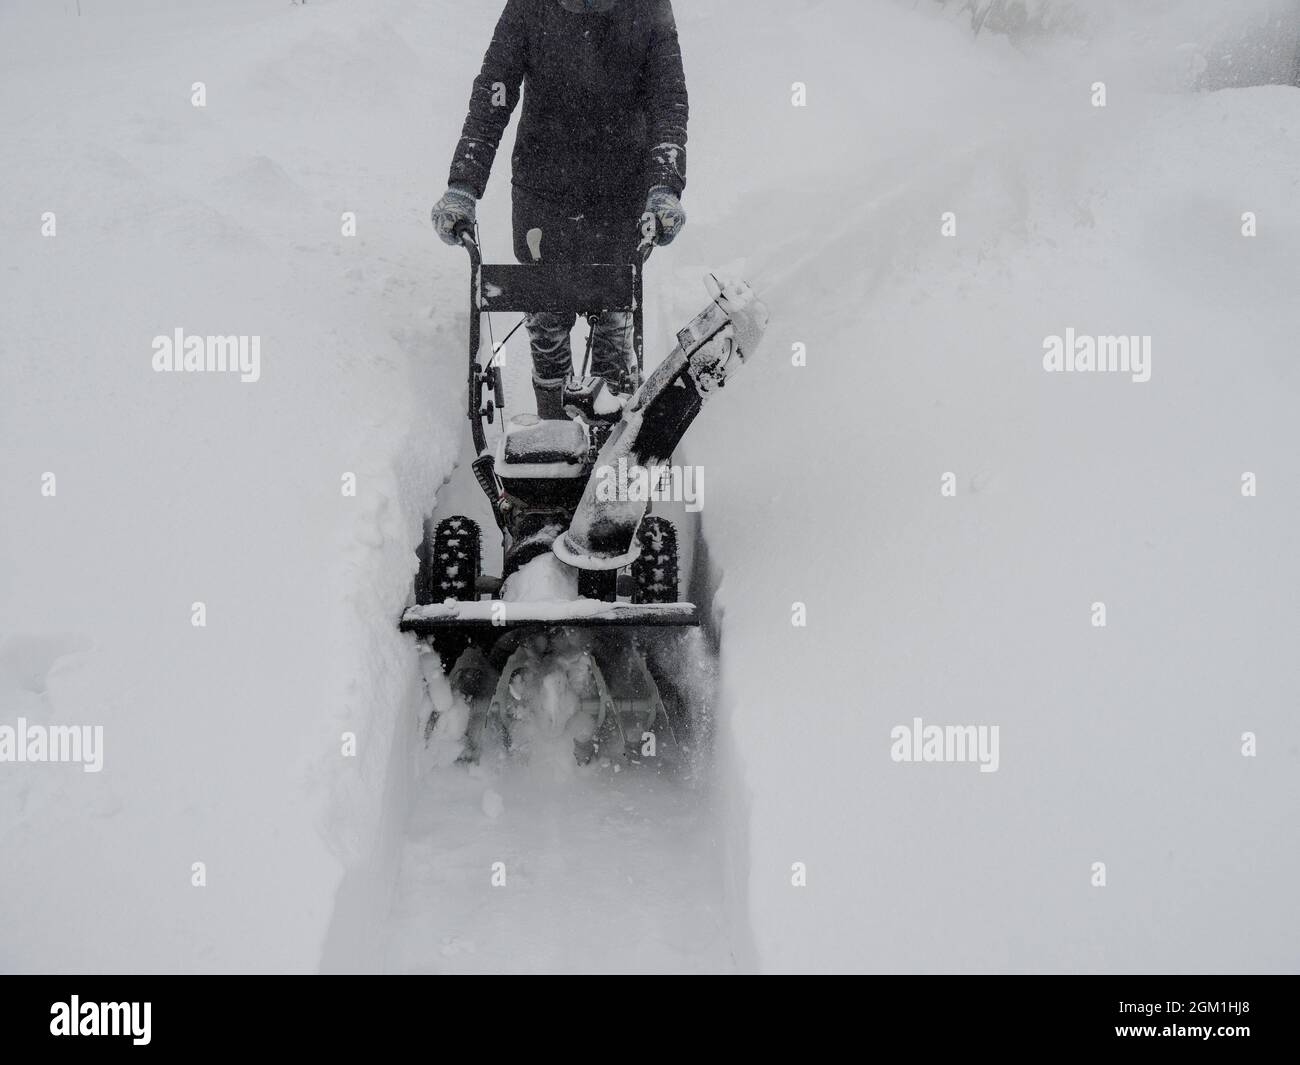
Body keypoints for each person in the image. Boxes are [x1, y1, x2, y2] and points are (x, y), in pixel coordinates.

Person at [431, 0, 688, 418]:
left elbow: (668, 98)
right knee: (547, 318)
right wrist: (463, 185)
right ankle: (554, 433)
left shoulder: (648, 7)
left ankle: (613, 442)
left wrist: (664, 185)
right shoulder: (530, 7)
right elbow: (494, 91)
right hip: (543, 187)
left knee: (613, 324)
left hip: (620, 189)